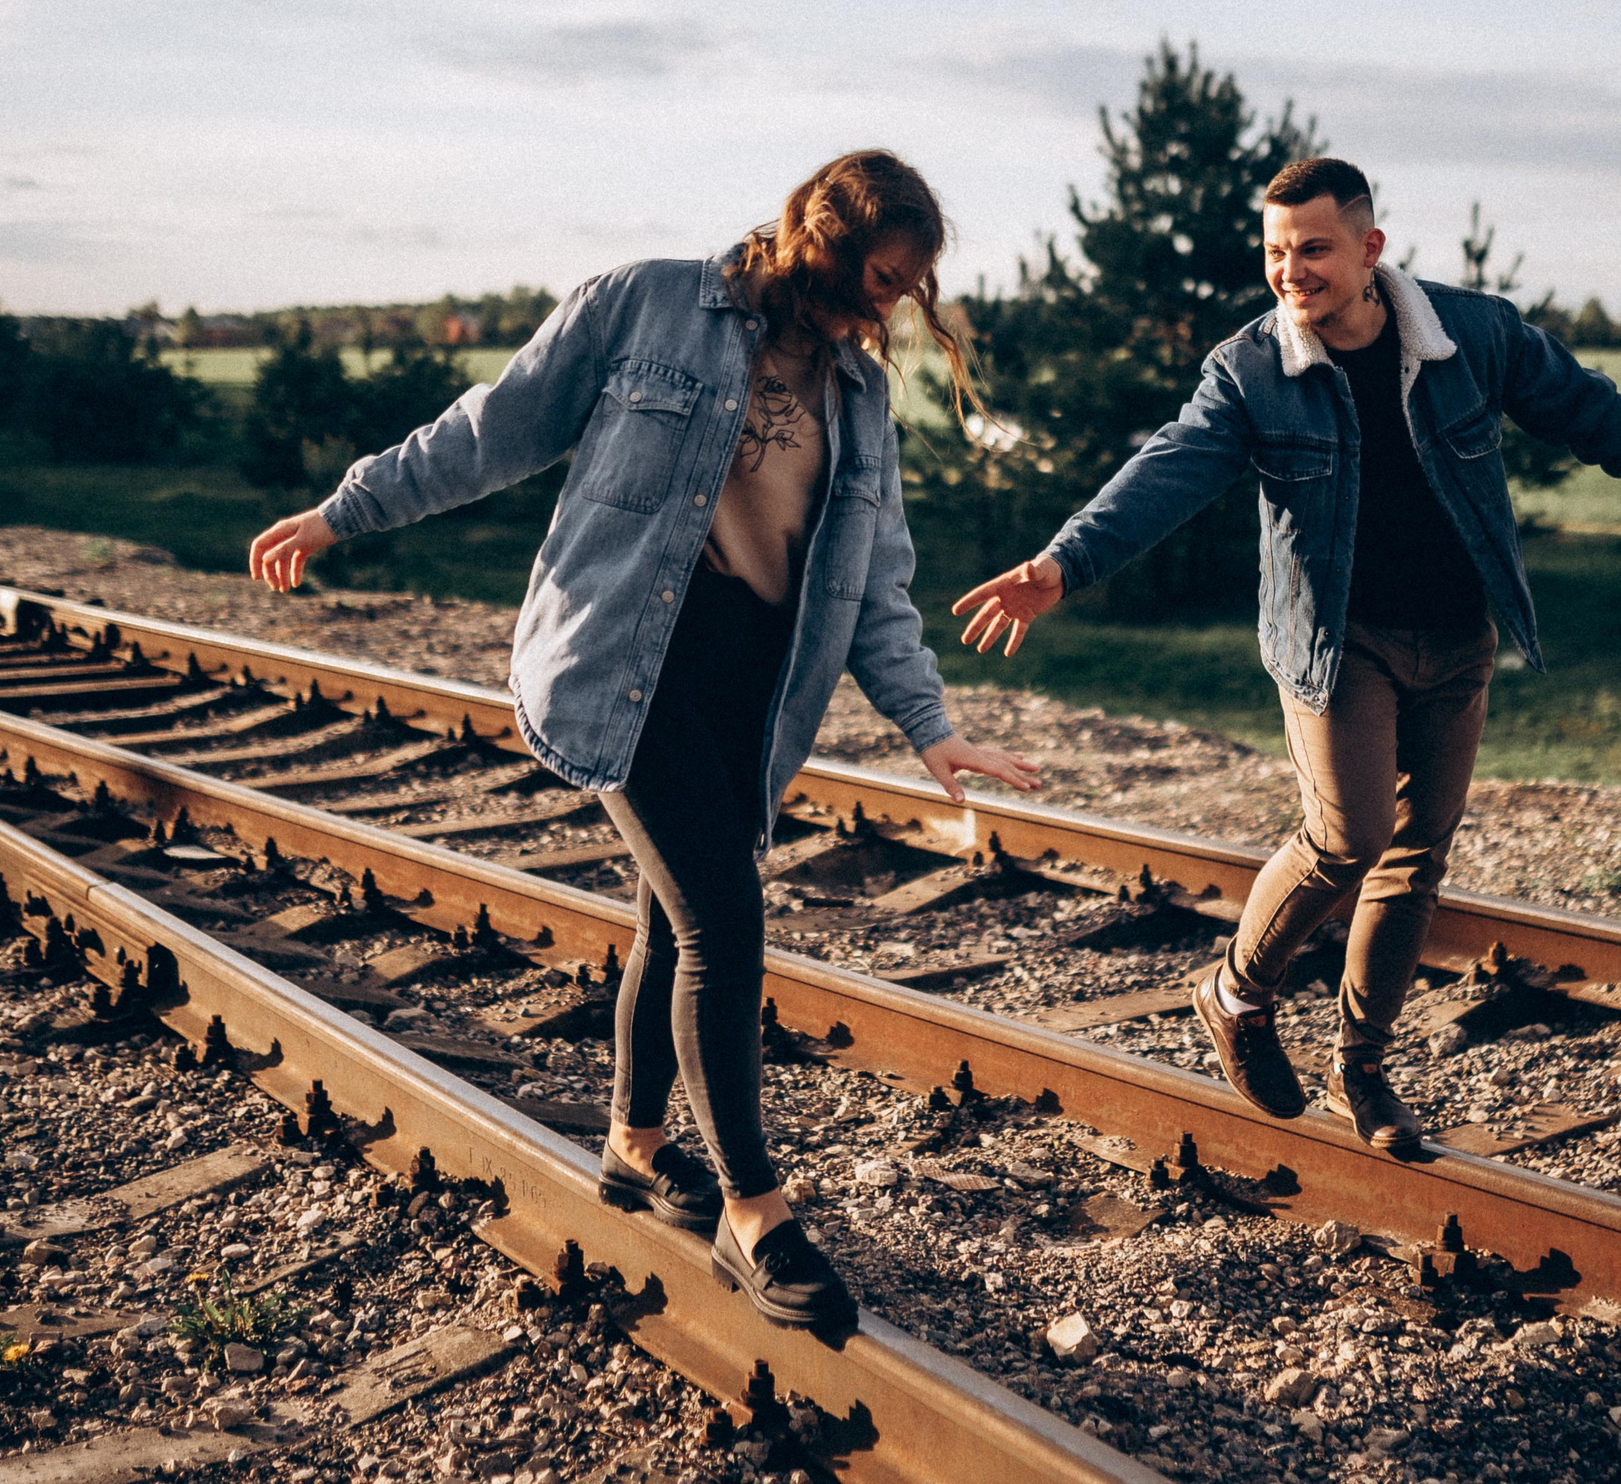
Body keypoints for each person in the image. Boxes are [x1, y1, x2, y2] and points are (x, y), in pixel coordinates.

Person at [249, 150, 1040, 1327]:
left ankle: (633, 1145)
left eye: (906, 285)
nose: (890, 305)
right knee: (724, 921)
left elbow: (875, 582)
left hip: (748, 687)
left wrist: (932, 729)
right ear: (821, 241)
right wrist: (342, 510)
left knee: (670, 920)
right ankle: (752, 1205)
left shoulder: (857, 395)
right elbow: (492, 429)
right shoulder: (649, 301)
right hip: (625, 659)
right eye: (879, 277)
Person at [953, 157, 1621, 1152]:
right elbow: (1163, 472)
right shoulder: (1252, 370)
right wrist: (1063, 565)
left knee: (1417, 853)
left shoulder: (1473, 335)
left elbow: (1590, 410)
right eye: (1274, 252)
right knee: (1347, 837)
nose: (1291, 270)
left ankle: (1360, 1067)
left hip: (1458, 633)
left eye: (1312, 248)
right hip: (1340, 641)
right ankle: (1236, 989)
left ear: (1369, 250)